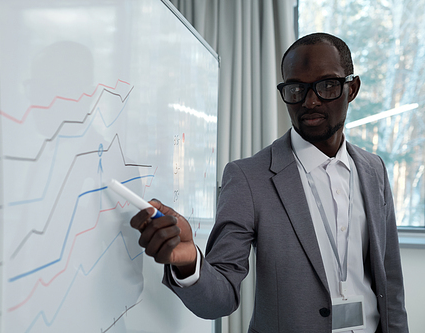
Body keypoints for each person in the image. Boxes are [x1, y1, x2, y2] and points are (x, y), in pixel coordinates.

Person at [130, 32, 408, 333]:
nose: (310, 101)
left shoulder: (373, 169)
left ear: (351, 88)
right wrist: (189, 262)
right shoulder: (249, 178)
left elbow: (389, 280)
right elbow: (220, 298)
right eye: (295, 89)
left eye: (327, 86)